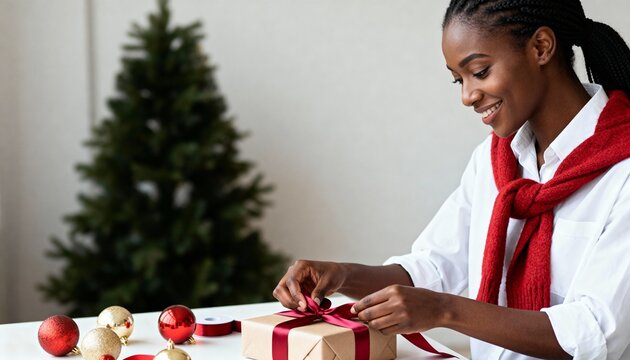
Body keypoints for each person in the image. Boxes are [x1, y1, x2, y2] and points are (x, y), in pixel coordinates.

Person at [273, 1, 630, 359]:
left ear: (541, 47)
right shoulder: (494, 163)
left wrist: (446, 310)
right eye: (459, 79)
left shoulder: (623, 170)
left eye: (480, 71)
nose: (467, 96)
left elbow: (595, 331)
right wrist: (341, 275)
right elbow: (434, 268)